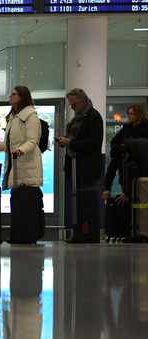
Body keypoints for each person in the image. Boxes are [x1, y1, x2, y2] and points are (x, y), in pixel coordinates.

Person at [0, 86, 43, 217]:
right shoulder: (14, 118)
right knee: (19, 203)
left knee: (25, 204)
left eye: (14, 94)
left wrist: (19, 151)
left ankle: (25, 234)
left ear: (22, 97)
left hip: (26, 165)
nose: (10, 97)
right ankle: (19, 234)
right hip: (17, 165)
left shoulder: (30, 117)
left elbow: (32, 141)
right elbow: (9, 144)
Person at [58, 87, 104, 237]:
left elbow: (94, 143)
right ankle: (78, 231)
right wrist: (65, 142)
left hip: (87, 166)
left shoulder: (93, 117)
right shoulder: (76, 119)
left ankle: (88, 233)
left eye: (74, 104)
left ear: (83, 101)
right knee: (76, 200)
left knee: (87, 201)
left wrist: (70, 142)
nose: (71, 107)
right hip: (74, 164)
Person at [103, 103, 148, 201]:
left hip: (141, 170)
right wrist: (123, 148)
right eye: (129, 114)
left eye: (132, 114)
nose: (130, 116)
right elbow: (114, 143)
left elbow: (141, 147)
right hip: (126, 168)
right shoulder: (127, 128)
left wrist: (126, 146)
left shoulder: (145, 128)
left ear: (139, 114)